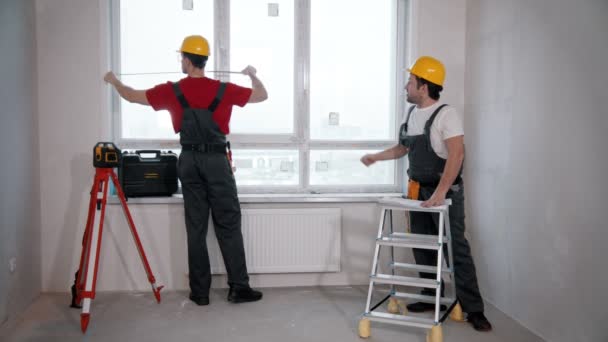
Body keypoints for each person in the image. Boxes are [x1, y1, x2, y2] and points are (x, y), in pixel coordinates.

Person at [104, 35, 267, 306]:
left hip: (189, 160)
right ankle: (239, 288)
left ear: (189, 61)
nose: (181, 61)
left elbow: (131, 96)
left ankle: (200, 293)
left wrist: (114, 81)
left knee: (196, 227)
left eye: (182, 57)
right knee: (228, 224)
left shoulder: (172, 90)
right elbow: (262, 95)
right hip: (216, 162)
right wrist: (253, 75)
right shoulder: (223, 89)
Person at [360, 56, 492, 331]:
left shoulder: (447, 114)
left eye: (410, 82)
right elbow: (402, 148)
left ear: (423, 86)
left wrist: (441, 193)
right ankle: (431, 296)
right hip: (417, 190)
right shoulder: (411, 115)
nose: (406, 87)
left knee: (456, 248)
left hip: (445, 192)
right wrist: (376, 157)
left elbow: (457, 154)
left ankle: (474, 308)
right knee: (422, 244)